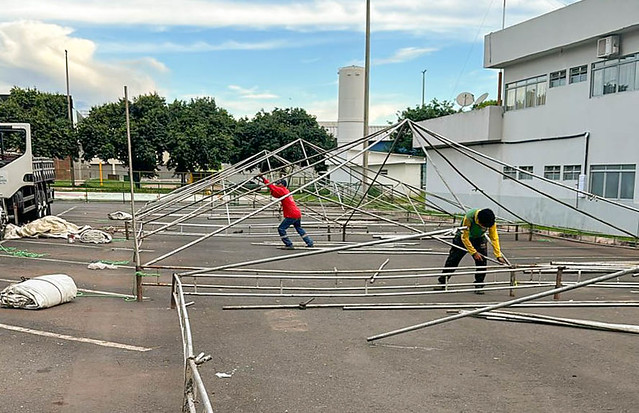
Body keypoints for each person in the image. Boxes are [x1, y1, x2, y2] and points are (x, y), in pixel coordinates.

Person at [436, 208, 506, 294]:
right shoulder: (469, 218)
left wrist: (498, 255)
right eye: (483, 225)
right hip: (462, 238)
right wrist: (473, 252)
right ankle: (442, 281)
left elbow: (494, 238)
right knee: (453, 260)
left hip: (479, 238)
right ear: (479, 221)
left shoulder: (490, 221)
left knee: (482, 261)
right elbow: (464, 237)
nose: (484, 227)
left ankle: (479, 284)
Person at [258, 175, 313, 249]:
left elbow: (272, 187)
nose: (277, 184)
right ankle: (309, 242)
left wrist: (263, 178)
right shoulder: (286, 191)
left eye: (278, 183)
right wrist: (269, 187)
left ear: (282, 184)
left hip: (291, 214)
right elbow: (274, 193)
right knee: (298, 228)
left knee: (281, 229)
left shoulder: (282, 190)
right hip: (297, 213)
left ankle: (288, 244)